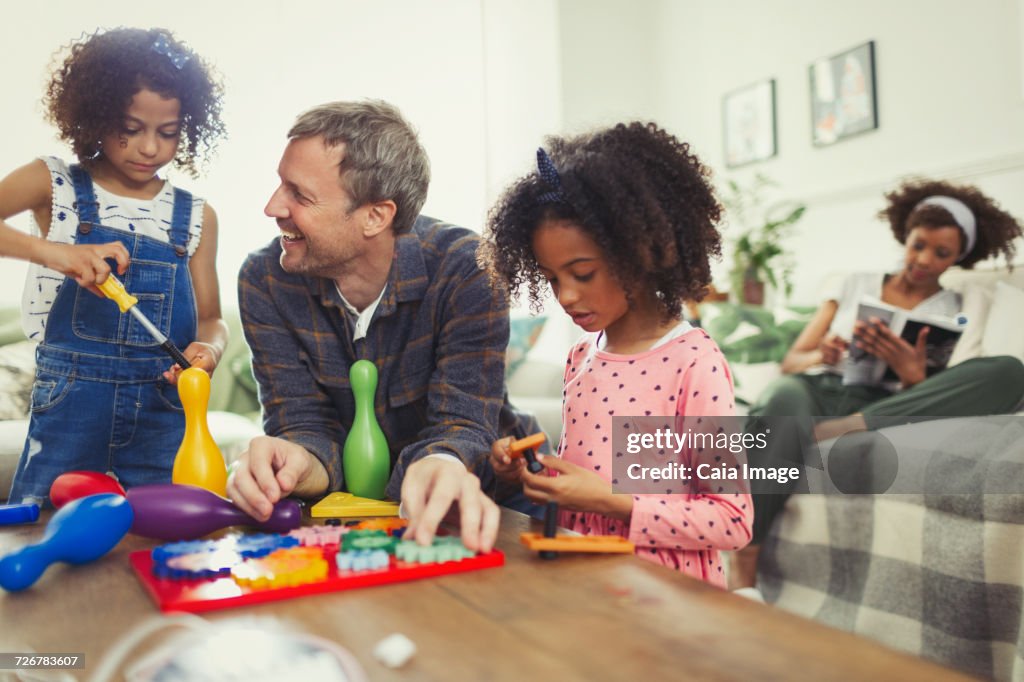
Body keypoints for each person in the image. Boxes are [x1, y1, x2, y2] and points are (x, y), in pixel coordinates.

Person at [227, 100, 540, 552]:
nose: (272, 206)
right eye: (281, 184)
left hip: (484, 510)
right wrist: (296, 460)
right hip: (350, 524)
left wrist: (444, 461)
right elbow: (301, 424)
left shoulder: (467, 269)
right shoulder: (265, 280)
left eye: (300, 194)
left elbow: (462, 425)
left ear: (376, 215)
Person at [480, 123, 753, 587]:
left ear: (641, 255)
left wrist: (610, 499)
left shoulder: (692, 363)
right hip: (587, 587)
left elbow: (731, 520)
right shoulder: (582, 358)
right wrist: (524, 474)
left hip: (667, 596)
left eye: (582, 273)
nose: (565, 296)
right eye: (551, 278)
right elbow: (581, 494)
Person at [731, 179, 1024, 589]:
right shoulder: (854, 282)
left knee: (1009, 371)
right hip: (818, 390)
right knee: (782, 398)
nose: (924, 259)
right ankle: (748, 551)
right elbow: (791, 362)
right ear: (906, 236)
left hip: (880, 407)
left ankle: (843, 428)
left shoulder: (953, 309)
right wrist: (824, 354)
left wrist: (911, 373)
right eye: (918, 244)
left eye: (942, 254)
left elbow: (931, 396)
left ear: (957, 259)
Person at [3, 28, 228, 504]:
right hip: (70, 405)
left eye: (167, 133)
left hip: (164, 412)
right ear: (95, 117)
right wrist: (59, 254)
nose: (149, 148)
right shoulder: (53, 183)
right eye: (130, 129)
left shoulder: (195, 216)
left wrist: (208, 351)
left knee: (171, 543)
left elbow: (212, 317)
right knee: (48, 537)